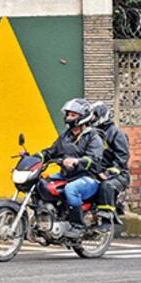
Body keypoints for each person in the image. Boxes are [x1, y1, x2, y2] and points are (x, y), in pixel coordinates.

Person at [35, 98, 105, 239]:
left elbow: (94, 159)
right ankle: (45, 219)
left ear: (83, 117)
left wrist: (77, 161)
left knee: (71, 189)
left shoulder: (93, 137)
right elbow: (51, 151)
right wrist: (35, 157)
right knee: (39, 183)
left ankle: (77, 226)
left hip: (88, 177)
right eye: (68, 114)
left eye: (73, 115)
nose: (68, 118)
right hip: (66, 175)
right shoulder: (65, 136)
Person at [90, 101, 131, 229]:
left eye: (94, 116)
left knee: (105, 185)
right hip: (96, 170)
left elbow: (122, 156)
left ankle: (107, 218)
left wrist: (111, 171)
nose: (92, 118)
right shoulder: (90, 133)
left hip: (117, 174)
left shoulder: (115, 133)